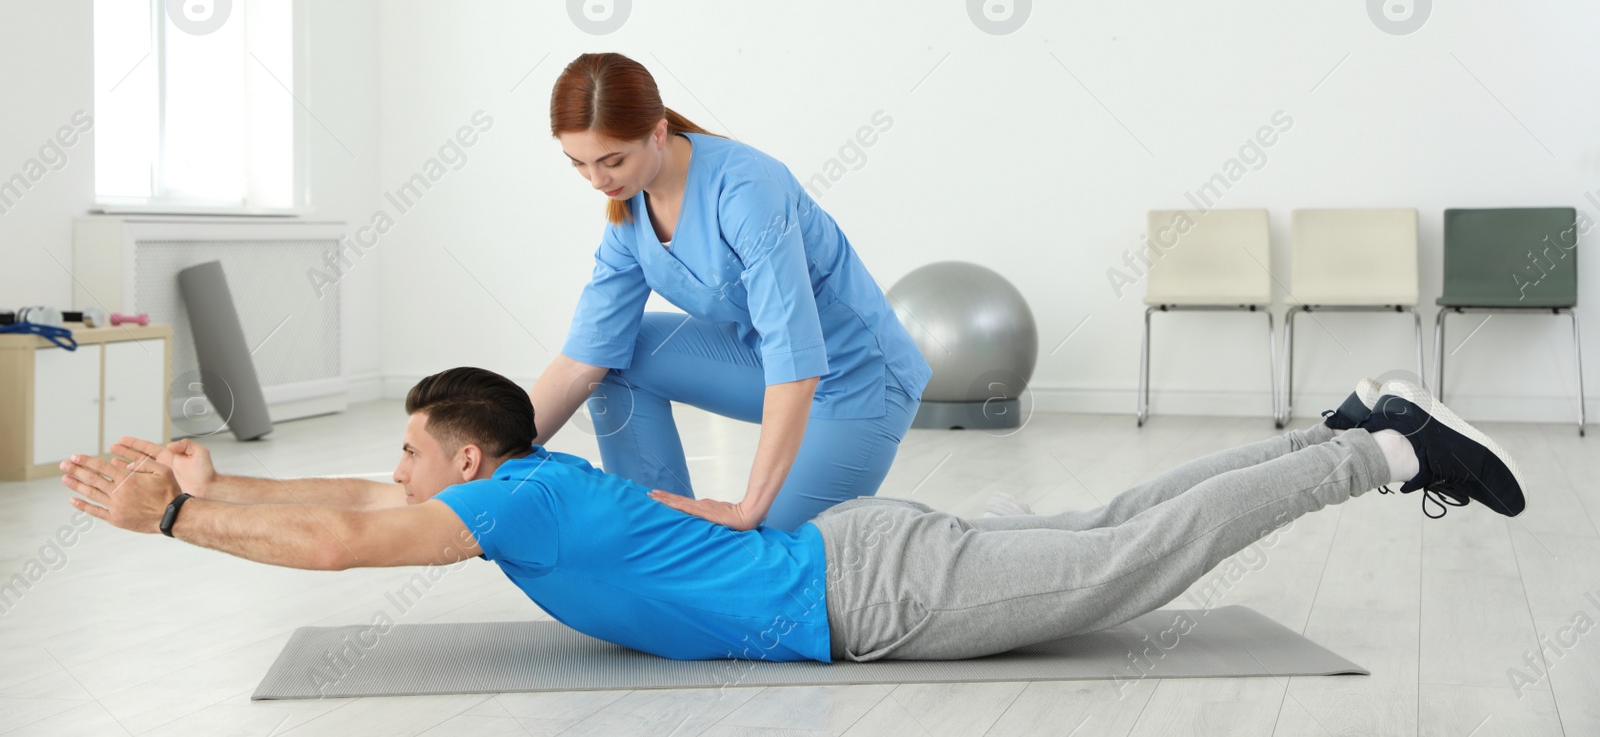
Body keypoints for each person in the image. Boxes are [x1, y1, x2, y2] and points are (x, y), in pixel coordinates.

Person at [61, 366, 1526, 664]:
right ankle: (1345, 420)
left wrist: (172, 529)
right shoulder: (527, 485)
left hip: (863, 601)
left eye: (411, 447)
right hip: (857, 554)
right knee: (1120, 509)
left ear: (468, 454)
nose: (396, 466)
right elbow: (341, 498)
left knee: (1135, 552)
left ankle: (1383, 458)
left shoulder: (517, 508)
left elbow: (340, 536)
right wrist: (210, 483)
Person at [533, 53, 930, 532]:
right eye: (579, 163)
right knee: (618, 356)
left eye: (612, 160)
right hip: (763, 364)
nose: (597, 181)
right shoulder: (628, 210)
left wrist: (748, 509)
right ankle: (660, 535)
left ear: (657, 133)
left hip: (856, 379)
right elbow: (583, 356)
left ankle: (997, 533)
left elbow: (796, 356)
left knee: (770, 563)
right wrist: (494, 459)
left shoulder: (745, 188)